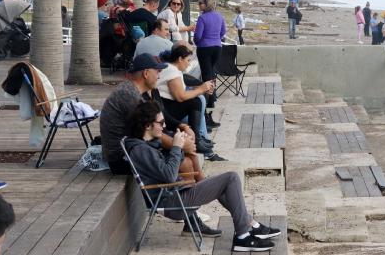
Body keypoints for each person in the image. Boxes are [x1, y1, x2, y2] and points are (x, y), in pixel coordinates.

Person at [125, 101, 281, 251]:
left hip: (177, 194)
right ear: (147, 125)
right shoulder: (141, 150)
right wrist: (176, 146)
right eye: (161, 122)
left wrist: (179, 148)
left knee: (226, 184)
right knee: (231, 177)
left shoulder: (148, 145)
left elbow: (169, 168)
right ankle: (243, 235)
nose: (164, 126)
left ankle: (249, 226)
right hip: (172, 202)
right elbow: (170, 176)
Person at [100, 54, 207, 179]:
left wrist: (180, 141)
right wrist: (179, 144)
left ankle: (200, 185)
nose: (159, 76)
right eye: (157, 71)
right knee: (185, 162)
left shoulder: (133, 91)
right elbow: (151, 132)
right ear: (146, 73)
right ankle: (190, 195)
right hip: (122, 158)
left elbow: (152, 130)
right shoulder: (130, 97)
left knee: (187, 152)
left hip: (136, 148)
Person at [157, 44, 225, 161]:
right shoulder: (171, 71)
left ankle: (200, 138)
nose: (189, 64)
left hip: (166, 106)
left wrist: (201, 86)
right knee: (196, 102)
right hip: (164, 111)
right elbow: (180, 97)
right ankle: (198, 139)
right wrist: (201, 89)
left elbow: (184, 83)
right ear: (180, 59)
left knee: (198, 100)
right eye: (188, 60)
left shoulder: (172, 69)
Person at [194, 0, 226, 109]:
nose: (199, 5)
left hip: (204, 48)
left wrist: (198, 43)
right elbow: (223, 32)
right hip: (217, 47)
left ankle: (210, 101)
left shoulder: (202, 18)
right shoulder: (219, 16)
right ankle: (213, 96)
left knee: (206, 74)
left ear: (207, 4)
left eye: (200, 3)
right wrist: (216, 38)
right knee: (212, 71)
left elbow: (197, 36)